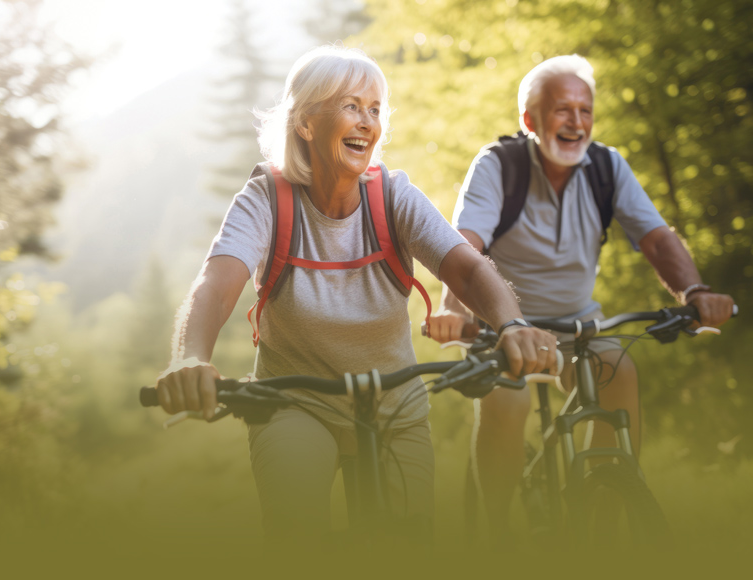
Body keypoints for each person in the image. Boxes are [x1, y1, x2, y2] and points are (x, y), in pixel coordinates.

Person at [153, 46, 558, 545]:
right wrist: (190, 358)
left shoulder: (393, 196)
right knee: (296, 538)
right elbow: (216, 287)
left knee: (408, 551)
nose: (367, 121)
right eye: (350, 106)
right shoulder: (266, 199)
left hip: (394, 406)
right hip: (295, 403)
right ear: (305, 122)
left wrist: (512, 325)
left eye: (374, 109)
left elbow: (469, 270)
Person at [428, 54, 735, 536]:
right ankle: (495, 534)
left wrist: (694, 291)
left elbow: (655, 237)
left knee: (621, 374)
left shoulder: (606, 168)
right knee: (509, 405)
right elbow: (465, 246)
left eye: (585, 110)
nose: (576, 122)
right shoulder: (499, 165)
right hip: (503, 327)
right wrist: (451, 307)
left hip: (579, 325)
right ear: (530, 120)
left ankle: (603, 528)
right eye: (561, 110)